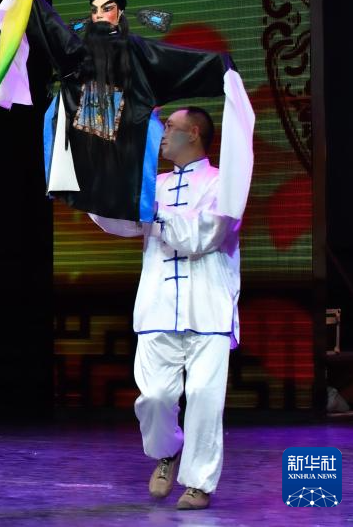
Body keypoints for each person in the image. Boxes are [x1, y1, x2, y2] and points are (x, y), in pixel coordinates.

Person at [90, 106, 248, 510]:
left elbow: (202, 236)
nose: (162, 134)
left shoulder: (222, 184)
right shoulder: (154, 185)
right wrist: (89, 191)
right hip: (158, 307)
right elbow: (121, 221)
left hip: (207, 308)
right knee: (156, 398)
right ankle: (168, 451)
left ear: (193, 133)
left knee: (203, 397)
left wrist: (154, 212)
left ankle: (198, 484)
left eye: (170, 127)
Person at [28, 0, 237, 223]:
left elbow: (179, 61)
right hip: (86, 149)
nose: (99, 15)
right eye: (94, 10)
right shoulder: (80, 56)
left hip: (124, 145)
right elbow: (49, 27)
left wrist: (222, 69)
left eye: (107, 8)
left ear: (120, 12)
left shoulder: (138, 53)